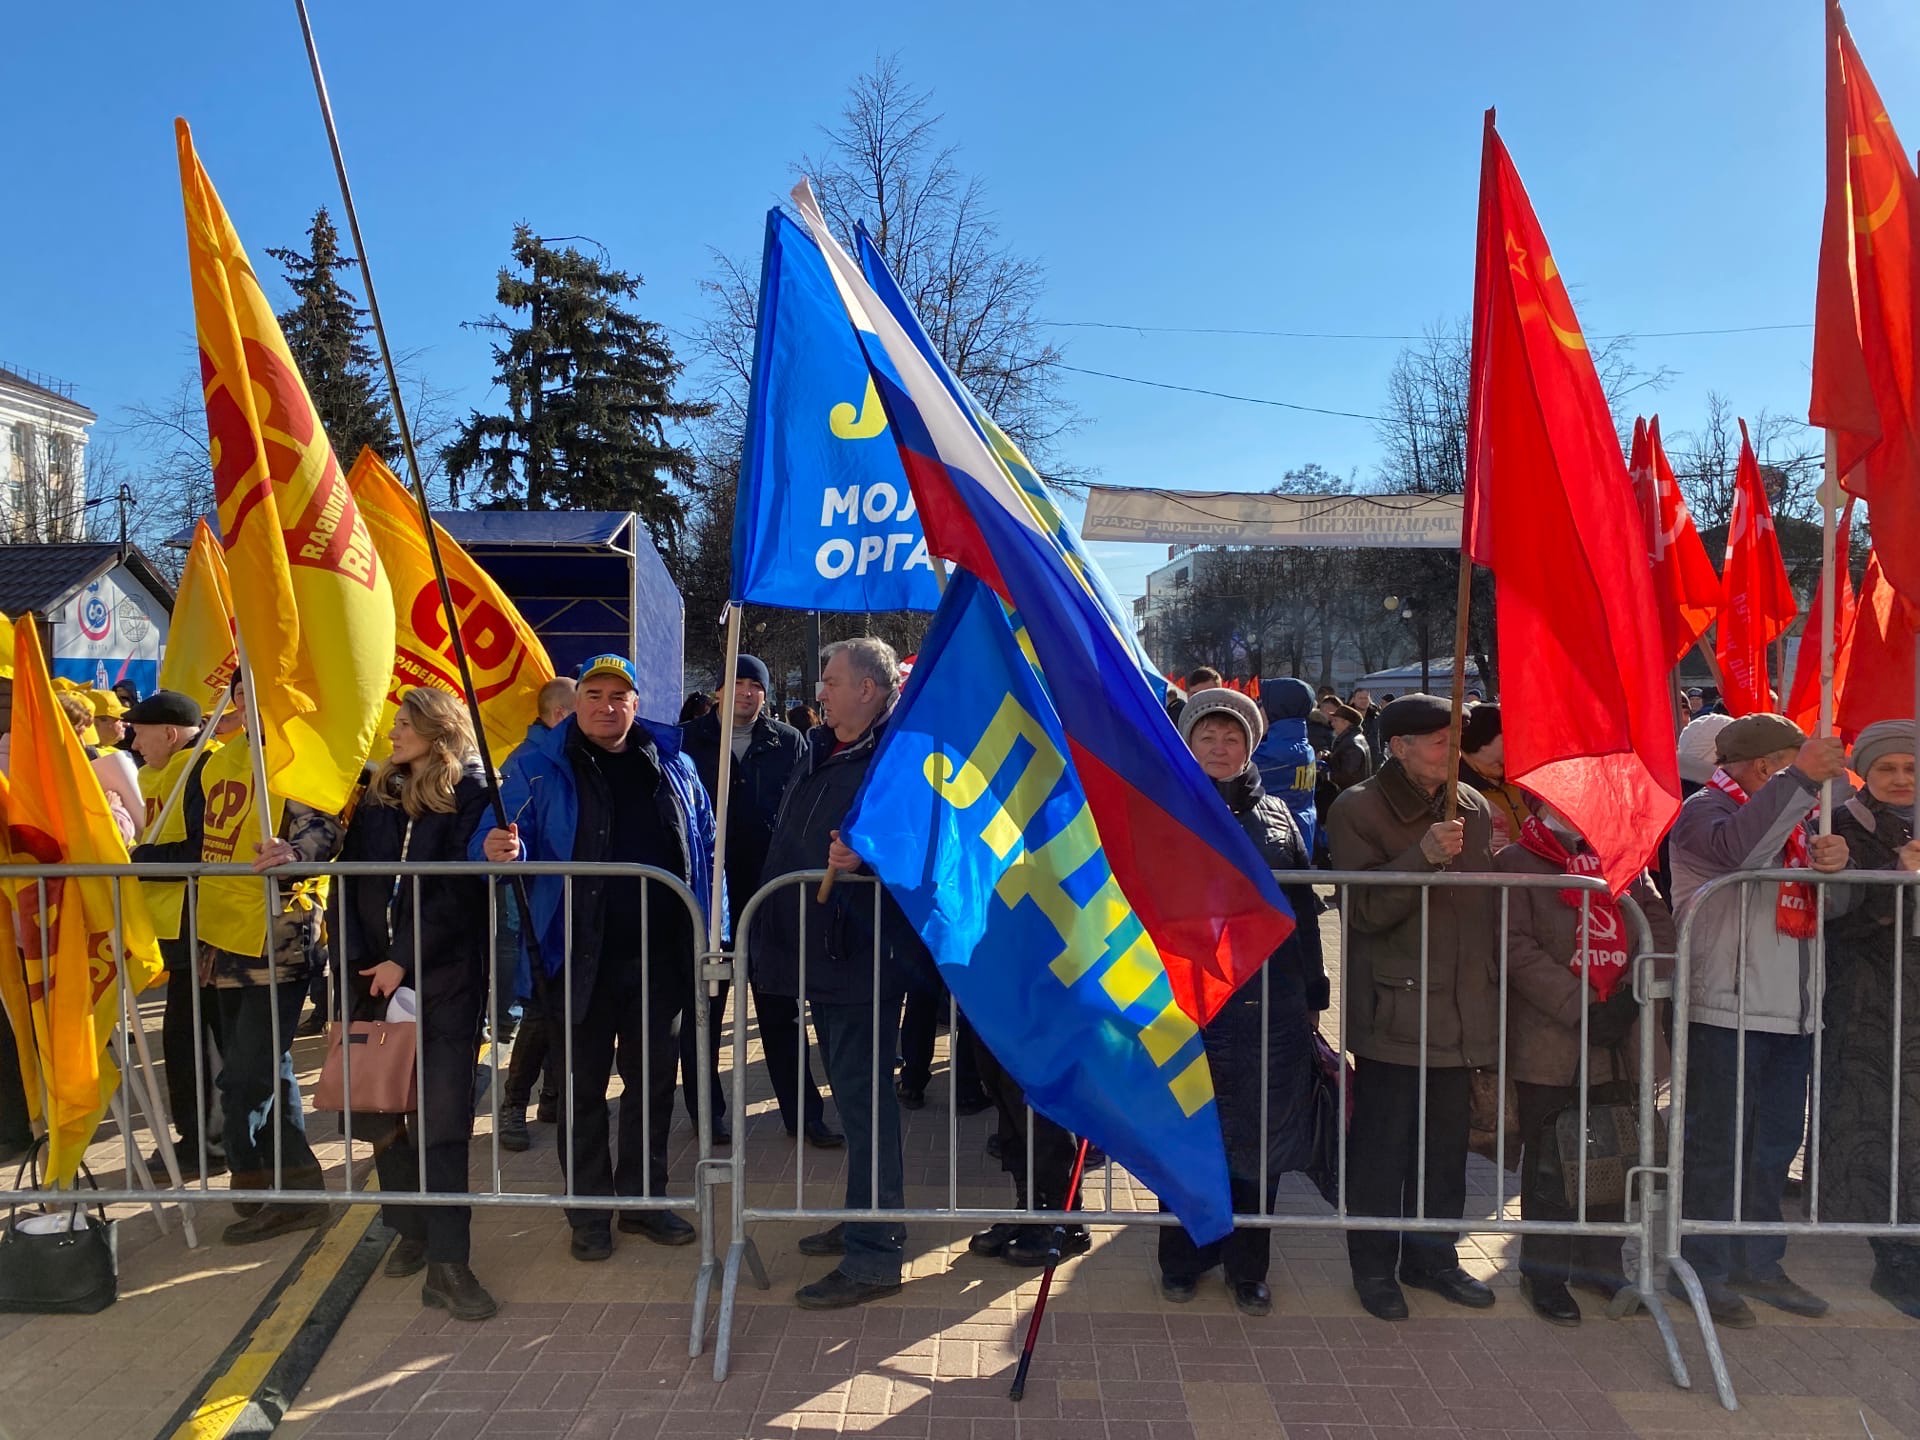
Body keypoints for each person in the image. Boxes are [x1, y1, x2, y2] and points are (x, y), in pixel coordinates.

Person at [477, 655, 717, 1262]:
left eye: (619, 696)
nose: (606, 706)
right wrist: (497, 848)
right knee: (581, 1090)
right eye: (594, 694)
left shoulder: (676, 764)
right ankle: (587, 1214)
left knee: (652, 1086)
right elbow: (491, 839)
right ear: (576, 702)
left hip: (659, 957)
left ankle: (643, 1203)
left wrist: (715, 935)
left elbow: (707, 850)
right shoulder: (535, 765)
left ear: (636, 704)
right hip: (573, 957)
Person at [754, 637, 930, 1309]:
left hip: (864, 957)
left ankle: (875, 1255)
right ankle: (865, 1214)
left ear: (868, 689)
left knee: (864, 1101)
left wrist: (870, 860)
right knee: (854, 1102)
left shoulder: (897, 759)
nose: (820, 691)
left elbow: (923, 848)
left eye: (830, 680)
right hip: (823, 954)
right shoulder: (823, 747)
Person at [1668, 713, 1854, 1327]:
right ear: (1764, 767)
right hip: (1726, 1007)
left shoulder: (1797, 820)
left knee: (1773, 1147)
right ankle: (1701, 1265)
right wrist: (1800, 781)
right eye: (1791, 765)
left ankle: (1757, 1260)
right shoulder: (1704, 811)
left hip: (1791, 1013)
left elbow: (1833, 907)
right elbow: (1740, 853)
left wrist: (1837, 866)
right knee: (1717, 1146)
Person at [1326, 693, 1501, 1321]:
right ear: (1398, 747)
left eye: (1455, 740)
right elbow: (1364, 911)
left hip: (1460, 1009)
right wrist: (1420, 856)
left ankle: (1432, 1259)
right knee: (1383, 1151)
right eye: (1437, 742)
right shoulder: (1357, 808)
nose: (1451, 752)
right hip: (1395, 1009)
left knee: (1444, 1152)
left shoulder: (1473, 804)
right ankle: (1374, 1268)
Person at [1158, 688, 1328, 1316]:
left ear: (1251, 745)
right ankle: (1183, 1257)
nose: (1220, 748)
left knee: (1262, 1139)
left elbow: (1302, 909)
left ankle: (1247, 1266)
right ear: (1188, 742)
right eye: (1207, 736)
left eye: (1232, 737)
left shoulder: (1279, 816)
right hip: (1186, 1001)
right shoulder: (1163, 808)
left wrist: (1313, 987)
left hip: (1266, 1002)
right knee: (1187, 1133)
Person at [335, 689, 498, 1321]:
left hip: (445, 982)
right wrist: (356, 965)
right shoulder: (379, 793)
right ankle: (411, 1226)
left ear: (438, 731)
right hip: (371, 980)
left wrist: (404, 957)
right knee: (381, 1113)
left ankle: (449, 1264)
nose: (394, 732)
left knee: (442, 1120)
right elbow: (349, 879)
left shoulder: (472, 793)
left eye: (406, 724)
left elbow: (457, 895)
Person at [1497, 804, 1673, 1325]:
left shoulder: (1620, 855)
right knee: (1551, 1159)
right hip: (1551, 1036)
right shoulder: (1517, 862)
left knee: (1614, 1150)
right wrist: (1580, 1005)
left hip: (1620, 1034)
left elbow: (1658, 927)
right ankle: (1544, 1272)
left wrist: (1630, 995)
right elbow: (1514, 945)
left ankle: (1601, 1263)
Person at [200, 679, 345, 1244]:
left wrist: (295, 853)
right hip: (221, 933)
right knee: (268, 1069)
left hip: (280, 938)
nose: (246, 701)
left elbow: (324, 830)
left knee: (246, 1075)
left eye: (258, 690)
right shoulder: (218, 760)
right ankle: (289, 1189)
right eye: (240, 691)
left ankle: (263, 1176)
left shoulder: (301, 754)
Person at [679, 654, 840, 1149]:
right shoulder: (687, 741)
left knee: (781, 1009)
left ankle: (804, 1115)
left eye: (755, 685)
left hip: (771, 895)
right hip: (709, 899)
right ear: (718, 690)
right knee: (704, 1011)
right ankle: (707, 1115)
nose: (746, 693)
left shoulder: (788, 742)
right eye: (737, 683)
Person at [1819, 721, 1920, 1320]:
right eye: (1888, 768)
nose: (1901, 779)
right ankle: (1893, 1256)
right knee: (1874, 1124)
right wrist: (1894, 880)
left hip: (1915, 1000)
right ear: (1865, 772)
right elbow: (1836, 917)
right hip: (1866, 1004)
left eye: (1911, 768)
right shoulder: (1842, 827)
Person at [128, 690, 225, 1180]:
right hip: (177, 927)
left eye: (140, 734)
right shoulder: (166, 771)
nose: (134, 744)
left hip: (201, 926)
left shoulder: (203, 770)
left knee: (196, 1041)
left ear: (169, 734)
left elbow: (203, 850)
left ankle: (208, 1143)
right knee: (188, 1039)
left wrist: (138, 860)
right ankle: (204, 1138)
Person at [496, 676, 576, 1152]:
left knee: (566, 1008)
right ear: (561, 714)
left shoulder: (573, 758)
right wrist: (510, 850)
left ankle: (552, 1095)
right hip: (542, 908)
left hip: (576, 909)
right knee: (542, 1009)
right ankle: (513, 1103)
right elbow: (506, 832)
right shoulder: (528, 763)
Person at [57, 693, 139, 840]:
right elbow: (111, 835)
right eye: (116, 718)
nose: (125, 724)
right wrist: (112, 809)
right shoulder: (67, 773)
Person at [1253, 677, 1320, 855]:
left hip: (1275, 843)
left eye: (1262, 704)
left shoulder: (1270, 754)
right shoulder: (1304, 747)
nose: (1258, 709)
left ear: (1275, 710)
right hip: (1300, 835)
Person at [1459, 703, 1530, 852]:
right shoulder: (1454, 790)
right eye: (1507, 739)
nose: (1515, 746)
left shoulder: (1521, 777)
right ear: (1483, 739)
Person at [1326, 702, 1372, 794]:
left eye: (1336, 720)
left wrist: (1327, 775)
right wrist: (1327, 757)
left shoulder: (1352, 744)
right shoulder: (1355, 739)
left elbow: (1347, 777)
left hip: (1350, 796)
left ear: (1346, 722)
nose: (1332, 724)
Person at [1350, 688, 1383, 765]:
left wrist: (1381, 757)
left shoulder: (1376, 717)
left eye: (1366, 698)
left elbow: (1382, 740)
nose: (1363, 701)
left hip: (1375, 763)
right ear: (1354, 700)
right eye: (1360, 698)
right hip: (1354, 764)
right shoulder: (1347, 718)